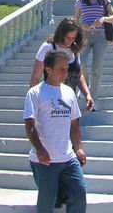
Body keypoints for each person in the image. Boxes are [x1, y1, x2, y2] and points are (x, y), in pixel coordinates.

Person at [24, 50, 88, 213]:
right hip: (45, 161)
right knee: (48, 202)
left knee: (79, 194)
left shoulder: (69, 92)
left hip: (68, 158)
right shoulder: (35, 93)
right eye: (61, 69)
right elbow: (30, 125)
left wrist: (78, 147)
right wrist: (40, 149)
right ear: (48, 69)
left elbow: (74, 123)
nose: (65, 74)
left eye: (66, 70)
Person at [30, 18, 94, 112]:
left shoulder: (75, 50)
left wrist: (87, 94)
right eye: (68, 37)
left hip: (68, 101)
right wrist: (33, 102)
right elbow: (35, 77)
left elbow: (79, 75)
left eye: (73, 38)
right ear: (61, 34)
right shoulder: (48, 47)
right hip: (49, 101)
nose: (70, 41)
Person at [74, 0, 113, 103]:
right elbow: (75, 21)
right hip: (85, 36)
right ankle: (86, 88)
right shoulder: (80, 1)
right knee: (81, 63)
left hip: (101, 36)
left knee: (96, 68)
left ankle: (93, 97)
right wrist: (83, 26)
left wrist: (104, 19)